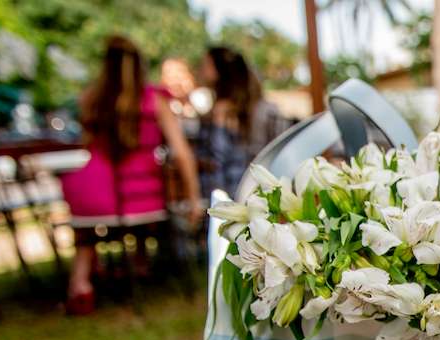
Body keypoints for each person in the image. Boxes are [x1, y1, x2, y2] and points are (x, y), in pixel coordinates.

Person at [60, 36, 203, 314]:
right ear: (140, 66)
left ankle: (80, 283)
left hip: (93, 191)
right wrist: (193, 197)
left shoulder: (91, 99)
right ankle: (139, 264)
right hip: (141, 194)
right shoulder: (154, 100)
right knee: (145, 210)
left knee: (86, 229)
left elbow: (86, 143)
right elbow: (182, 153)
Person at [196, 46, 289, 200]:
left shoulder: (248, 112)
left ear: (220, 70)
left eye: (205, 65)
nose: (200, 70)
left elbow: (220, 161)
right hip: (238, 196)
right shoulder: (241, 108)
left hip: (240, 196)